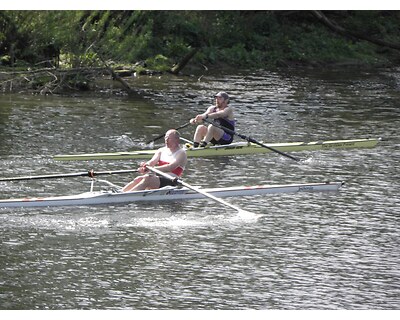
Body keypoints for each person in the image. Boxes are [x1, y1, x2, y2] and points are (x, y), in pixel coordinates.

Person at [122, 129, 187, 192]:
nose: (166, 140)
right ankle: (121, 192)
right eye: (165, 138)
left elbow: (170, 167)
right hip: (159, 179)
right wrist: (145, 166)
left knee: (148, 178)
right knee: (138, 179)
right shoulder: (161, 150)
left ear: (177, 140)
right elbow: (152, 162)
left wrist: (151, 169)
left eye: (169, 138)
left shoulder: (181, 153)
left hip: (172, 181)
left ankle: (127, 196)